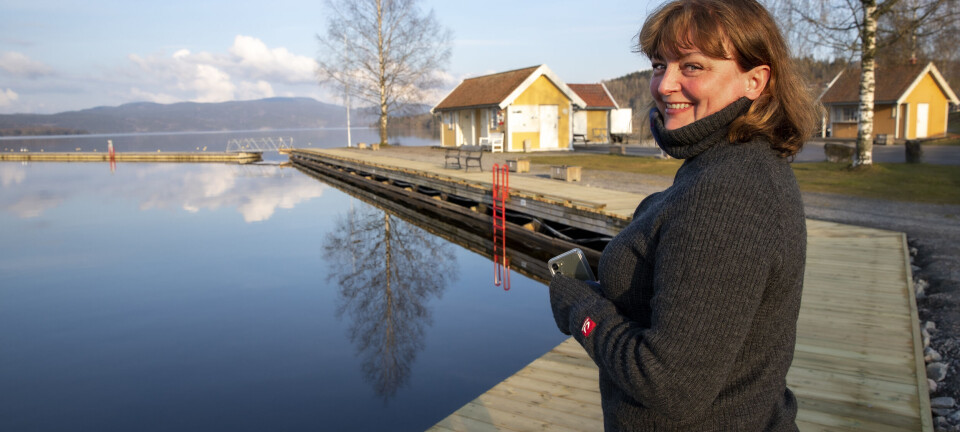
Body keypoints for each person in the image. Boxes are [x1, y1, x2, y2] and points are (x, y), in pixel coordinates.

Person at [548, 0, 817, 430]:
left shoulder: (727, 192)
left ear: (755, 80)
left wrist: (580, 308)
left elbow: (672, 386)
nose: (665, 84)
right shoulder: (735, 163)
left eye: (692, 66)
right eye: (659, 65)